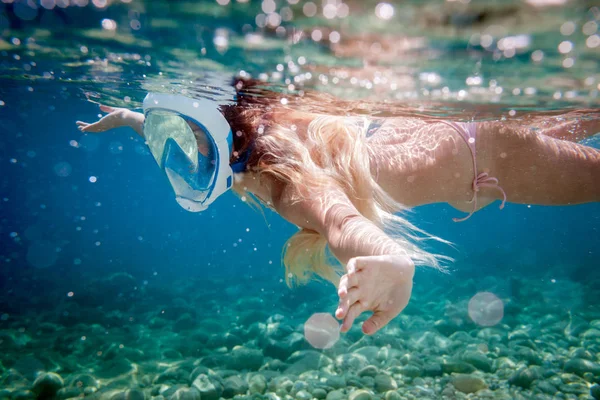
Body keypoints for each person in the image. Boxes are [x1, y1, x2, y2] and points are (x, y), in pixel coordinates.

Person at [76, 78, 600, 335]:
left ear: (234, 150)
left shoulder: (288, 183)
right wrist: (130, 118)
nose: (185, 163)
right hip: (459, 146)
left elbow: (342, 222)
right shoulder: (248, 155)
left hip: (487, 157)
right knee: (577, 117)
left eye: (194, 153)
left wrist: (392, 258)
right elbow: (187, 138)